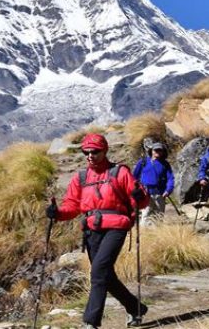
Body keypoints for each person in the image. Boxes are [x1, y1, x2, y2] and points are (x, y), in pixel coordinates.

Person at [46, 133, 149, 329]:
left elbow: (140, 201)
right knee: (105, 276)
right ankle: (135, 308)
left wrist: (139, 195)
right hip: (92, 229)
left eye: (95, 152)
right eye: (86, 152)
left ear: (105, 151)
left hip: (117, 226)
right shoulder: (81, 178)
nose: (90, 155)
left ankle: (90, 322)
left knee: (99, 271)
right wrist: (57, 213)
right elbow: (72, 206)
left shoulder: (120, 172)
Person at [133, 141, 174, 222]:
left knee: (159, 217)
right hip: (145, 193)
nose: (157, 152)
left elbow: (170, 178)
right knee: (145, 215)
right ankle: (145, 234)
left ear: (163, 152)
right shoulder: (143, 162)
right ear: (151, 151)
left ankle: (157, 234)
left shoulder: (165, 164)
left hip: (160, 194)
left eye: (160, 150)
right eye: (156, 150)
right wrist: (135, 190)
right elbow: (134, 177)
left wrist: (168, 190)